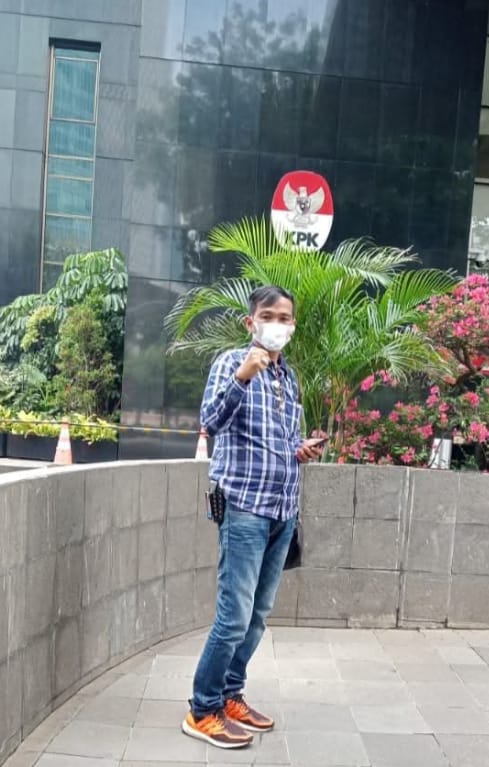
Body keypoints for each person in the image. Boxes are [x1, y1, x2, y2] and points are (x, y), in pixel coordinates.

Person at [182, 285, 323, 749]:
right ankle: (203, 709)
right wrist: (243, 376)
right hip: (243, 507)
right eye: (268, 316)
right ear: (250, 322)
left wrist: (301, 449)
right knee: (234, 617)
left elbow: (285, 439)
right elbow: (210, 421)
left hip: (282, 508)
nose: (276, 324)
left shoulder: (289, 377)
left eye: (285, 317)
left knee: (258, 615)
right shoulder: (230, 363)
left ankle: (230, 694)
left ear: (293, 325)